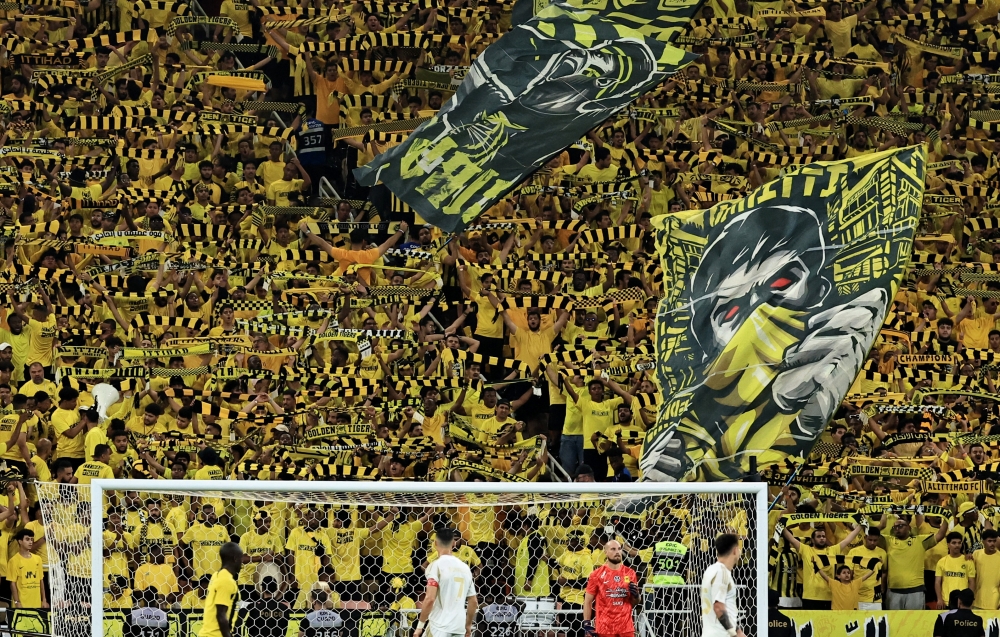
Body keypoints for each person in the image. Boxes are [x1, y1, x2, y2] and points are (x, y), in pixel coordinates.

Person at [413, 527, 478, 637]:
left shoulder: (435, 566)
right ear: (453, 543)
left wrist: (419, 627)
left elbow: (429, 599)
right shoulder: (465, 568)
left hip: (439, 626)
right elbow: (473, 601)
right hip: (459, 626)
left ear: (435, 543)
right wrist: (468, 626)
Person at [584, 540, 640, 637]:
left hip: (626, 628)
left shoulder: (630, 573)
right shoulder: (596, 574)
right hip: (605, 629)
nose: (617, 552)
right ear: (605, 552)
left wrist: (636, 596)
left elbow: (634, 602)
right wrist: (587, 624)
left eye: (619, 549)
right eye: (613, 549)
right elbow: (588, 601)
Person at [700, 533, 742, 637]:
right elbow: (718, 607)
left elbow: (724, 606)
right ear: (735, 550)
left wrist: (738, 631)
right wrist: (733, 634)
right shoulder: (721, 572)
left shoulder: (711, 570)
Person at [198, 542, 244, 637]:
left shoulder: (217, 575)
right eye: (241, 558)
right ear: (235, 559)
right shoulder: (226, 581)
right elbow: (221, 615)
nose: (242, 562)